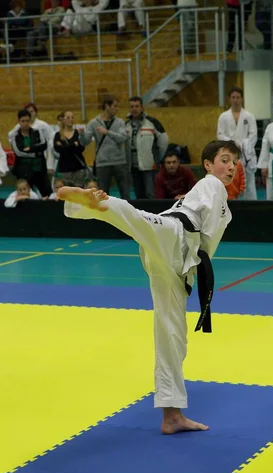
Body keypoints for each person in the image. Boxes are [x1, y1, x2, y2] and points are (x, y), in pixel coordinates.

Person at [57, 139, 240, 434]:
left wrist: (190, 274)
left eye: (235, 162)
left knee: (172, 335)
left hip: (171, 259)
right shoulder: (212, 185)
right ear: (208, 165)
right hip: (175, 235)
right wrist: (194, 267)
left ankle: (171, 415)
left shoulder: (207, 194)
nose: (231, 166)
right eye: (225, 159)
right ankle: (95, 202)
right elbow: (207, 239)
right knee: (134, 218)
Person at [79, 95, 130, 199]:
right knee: (103, 194)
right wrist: (82, 135)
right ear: (107, 106)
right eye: (115, 106)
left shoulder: (120, 122)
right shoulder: (94, 122)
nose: (117, 109)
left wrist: (107, 132)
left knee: (125, 193)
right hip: (102, 162)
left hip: (119, 162)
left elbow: (123, 138)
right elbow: (85, 142)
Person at [217, 86, 257, 199]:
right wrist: (232, 143)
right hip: (230, 154)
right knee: (230, 181)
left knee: (249, 183)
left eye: (238, 97)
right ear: (229, 99)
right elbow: (220, 135)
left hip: (246, 155)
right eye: (233, 97)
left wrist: (245, 145)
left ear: (242, 99)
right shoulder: (223, 116)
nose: (236, 100)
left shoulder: (249, 116)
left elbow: (253, 135)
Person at [125, 96, 169, 200]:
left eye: (137, 106)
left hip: (150, 165)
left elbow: (164, 141)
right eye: (132, 106)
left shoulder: (152, 123)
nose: (134, 109)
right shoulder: (126, 125)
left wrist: (157, 158)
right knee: (138, 194)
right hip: (133, 166)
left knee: (151, 193)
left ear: (142, 108)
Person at [10, 109, 52, 198]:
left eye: (27, 121)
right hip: (24, 171)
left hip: (39, 169)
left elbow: (44, 145)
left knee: (48, 194)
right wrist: (36, 153)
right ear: (18, 121)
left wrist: (31, 148)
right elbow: (19, 152)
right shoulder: (14, 136)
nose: (25, 123)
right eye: (23, 121)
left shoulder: (37, 132)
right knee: (25, 195)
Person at [53, 110, 88, 187]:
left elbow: (81, 148)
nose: (70, 119)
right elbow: (58, 149)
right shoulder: (58, 135)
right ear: (63, 119)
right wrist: (73, 145)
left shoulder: (78, 133)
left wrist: (66, 147)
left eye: (72, 117)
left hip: (78, 168)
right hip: (64, 169)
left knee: (79, 192)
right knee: (67, 194)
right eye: (68, 117)